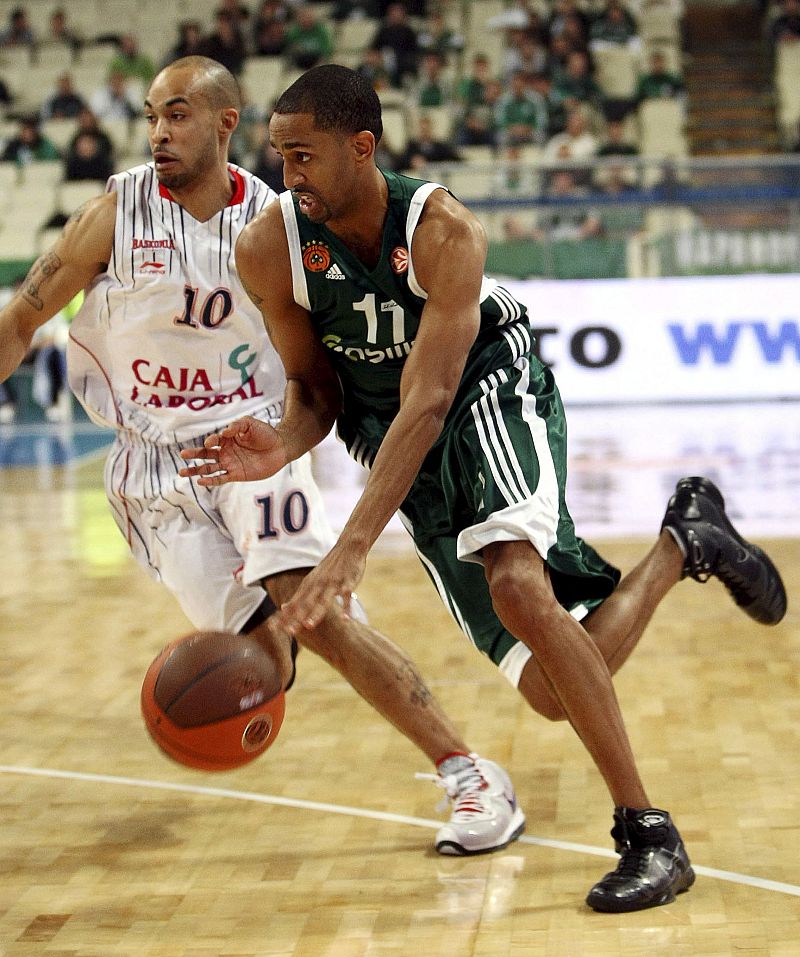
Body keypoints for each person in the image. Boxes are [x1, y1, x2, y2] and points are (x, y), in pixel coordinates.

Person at [178, 64, 788, 913]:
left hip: (482, 388)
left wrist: (350, 550)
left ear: (363, 147)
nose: (289, 176)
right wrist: (279, 442)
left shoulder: (441, 230)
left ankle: (650, 832)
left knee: (515, 583)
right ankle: (686, 540)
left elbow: (428, 401)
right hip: (393, 440)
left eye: (305, 156)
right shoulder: (269, 247)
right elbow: (317, 392)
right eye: (279, 156)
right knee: (548, 690)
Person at [0, 55, 524, 860]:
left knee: (307, 602)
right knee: (264, 657)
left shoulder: (281, 229)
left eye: (176, 114)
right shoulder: (112, 214)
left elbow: (324, 361)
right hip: (149, 471)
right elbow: (17, 322)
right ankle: (310, 644)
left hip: (250, 441)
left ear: (223, 123)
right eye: (149, 116)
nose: (158, 133)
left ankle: (468, 769)